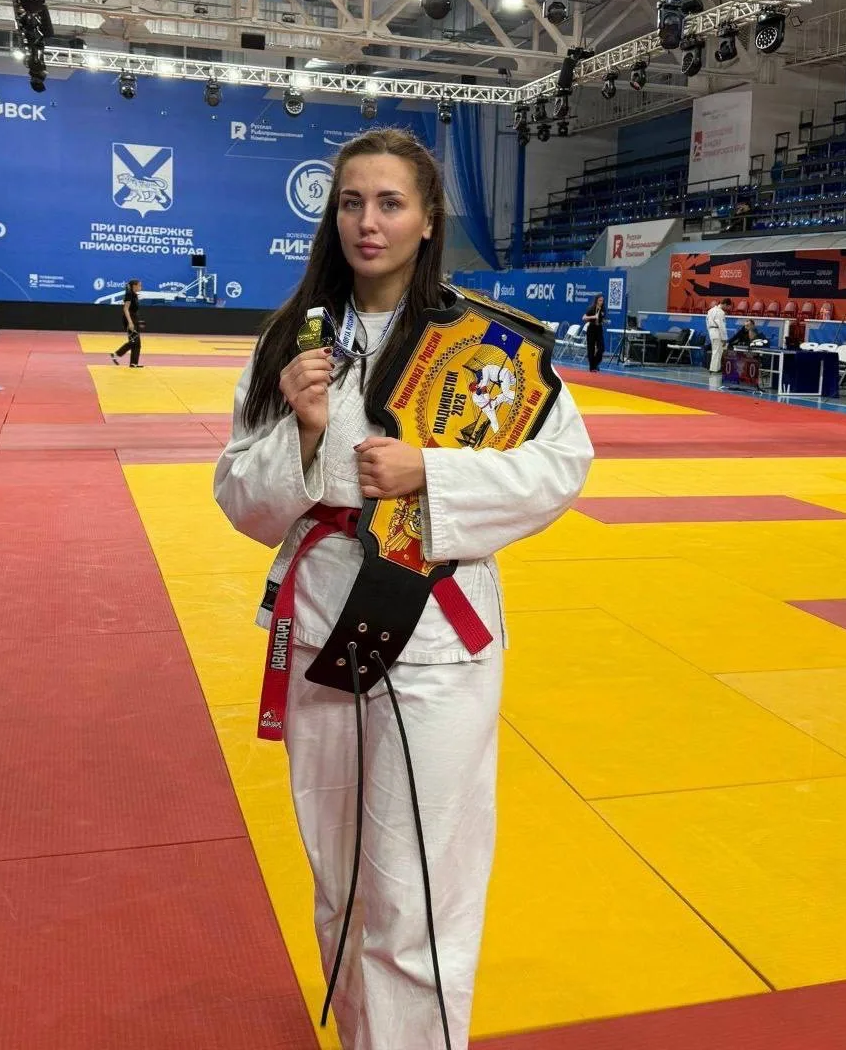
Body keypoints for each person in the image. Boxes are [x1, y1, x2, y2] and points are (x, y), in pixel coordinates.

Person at [213, 128, 594, 1050]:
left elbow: (562, 467)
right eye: (351, 202)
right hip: (321, 629)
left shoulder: (485, 344)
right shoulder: (293, 339)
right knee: (341, 879)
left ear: (428, 221)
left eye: (390, 203)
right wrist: (304, 435)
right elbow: (239, 496)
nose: (368, 221)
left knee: (417, 887)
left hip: (435, 633)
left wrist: (434, 471)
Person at [110, 278, 144, 367]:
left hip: (134, 318)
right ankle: (116, 354)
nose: (141, 287)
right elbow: (125, 309)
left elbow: (134, 309)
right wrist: (130, 322)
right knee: (134, 341)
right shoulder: (129, 294)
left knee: (137, 343)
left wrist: (137, 320)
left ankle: (134, 363)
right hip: (129, 319)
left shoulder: (135, 295)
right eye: (139, 285)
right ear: (134, 286)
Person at [582, 292, 606, 371]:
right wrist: (593, 317)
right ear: (596, 301)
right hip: (591, 328)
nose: (601, 302)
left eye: (602, 300)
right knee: (591, 348)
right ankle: (592, 367)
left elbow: (602, 318)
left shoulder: (603, 309)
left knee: (601, 348)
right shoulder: (591, 308)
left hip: (599, 328)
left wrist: (604, 321)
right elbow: (584, 318)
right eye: (600, 300)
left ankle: (595, 363)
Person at [706, 297, 730, 373]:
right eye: (727, 307)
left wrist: (710, 331)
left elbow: (707, 322)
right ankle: (714, 369)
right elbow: (721, 326)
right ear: (725, 304)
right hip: (717, 332)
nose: (727, 309)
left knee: (715, 351)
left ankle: (715, 368)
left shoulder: (710, 310)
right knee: (717, 351)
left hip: (712, 331)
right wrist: (724, 338)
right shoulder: (720, 312)